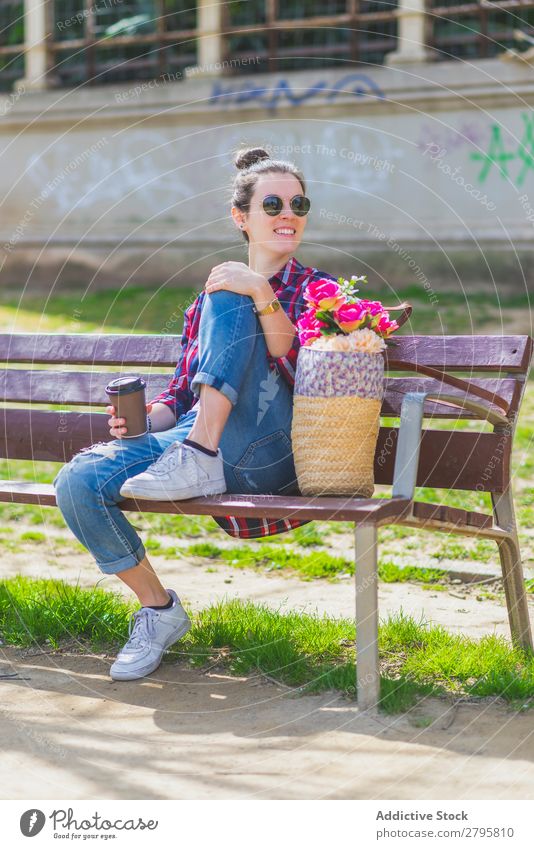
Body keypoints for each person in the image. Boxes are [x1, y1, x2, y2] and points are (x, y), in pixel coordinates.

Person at [53, 146, 337, 682]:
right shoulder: (208, 302)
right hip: (189, 442)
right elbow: (183, 394)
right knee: (78, 479)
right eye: (272, 203)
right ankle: (159, 611)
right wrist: (146, 419)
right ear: (241, 217)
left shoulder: (320, 292)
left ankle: (200, 452)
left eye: (298, 204)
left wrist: (257, 291)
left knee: (229, 292)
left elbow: (306, 372)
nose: (287, 214)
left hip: (268, 450)